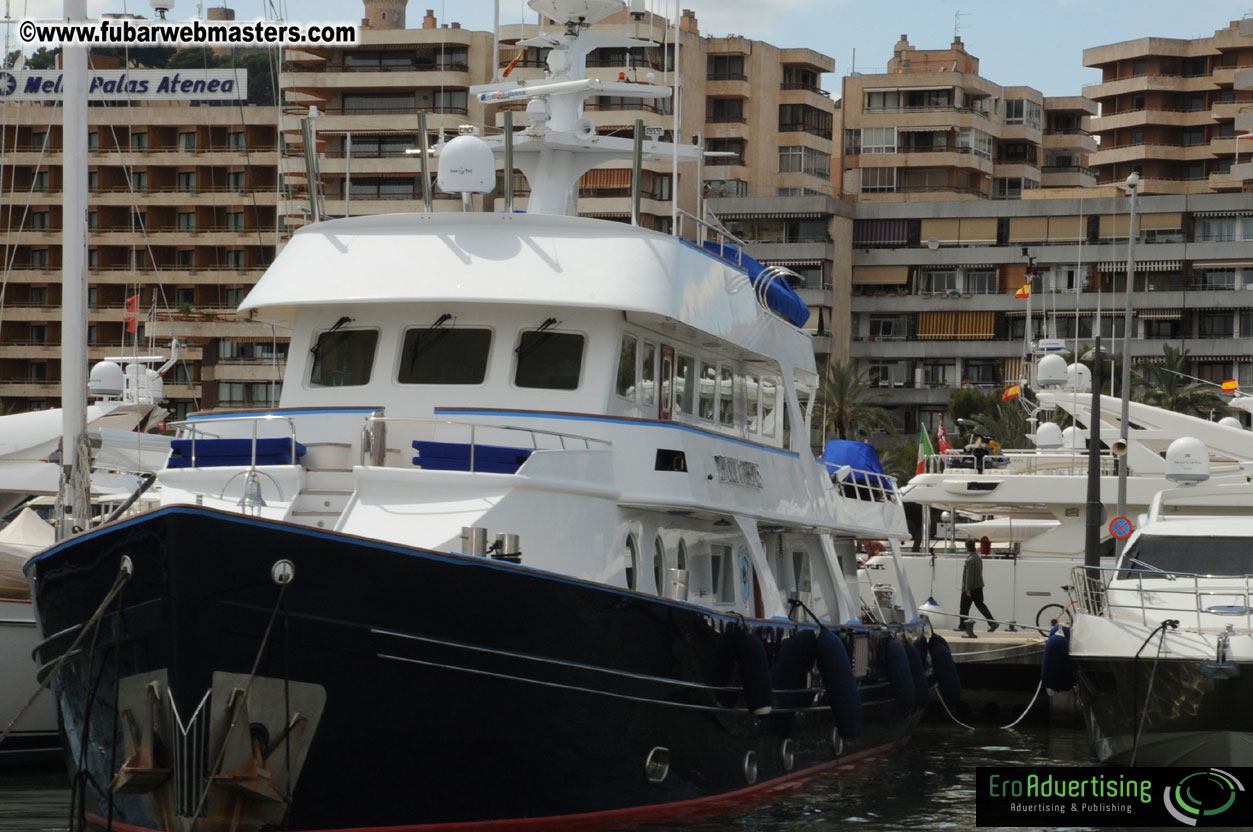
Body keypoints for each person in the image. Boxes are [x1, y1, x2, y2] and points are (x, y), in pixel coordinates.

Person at [959, 539, 998, 637]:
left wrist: (968, 589)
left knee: (964, 607)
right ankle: (992, 622)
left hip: (970, 588)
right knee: (981, 605)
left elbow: (969, 575)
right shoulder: (978, 558)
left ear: (967, 547)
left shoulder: (970, 560)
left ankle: (962, 626)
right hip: (979, 587)